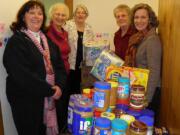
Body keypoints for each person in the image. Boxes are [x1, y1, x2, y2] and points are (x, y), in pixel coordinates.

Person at [3, 1, 67, 135]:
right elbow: (21, 74)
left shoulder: (47, 40)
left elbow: (60, 67)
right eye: (31, 12)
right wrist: (49, 90)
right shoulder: (17, 41)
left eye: (40, 13)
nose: (36, 16)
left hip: (49, 98)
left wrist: (59, 86)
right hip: (26, 102)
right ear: (22, 17)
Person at [125, 3, 162, 118]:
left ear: (150, 19)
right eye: (136, 17)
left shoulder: (152, 40)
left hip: (148, 94)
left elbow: (154, 71)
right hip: (139, 90)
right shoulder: (139, 37)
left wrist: (146, 99)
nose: (139, 21)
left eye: (143, 17)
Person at [46, 3, 70, 133]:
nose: (60, 17)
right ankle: (57, 130)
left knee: (64, 104)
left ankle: (62, 128)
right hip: (54, 75)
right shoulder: (47, 33)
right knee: (58, 106)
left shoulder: (64, 32)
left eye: (63, 14)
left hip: (65, 72)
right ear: (52, 15)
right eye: (57, 14)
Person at [64, 4, 94, 95]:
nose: (80, 15)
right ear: (74, 14)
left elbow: (91, 46)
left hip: (83, 65)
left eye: (83, 13)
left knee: (79, 87)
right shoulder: (68, 25)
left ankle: (76, 106)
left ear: (86, 15)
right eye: (78, 12)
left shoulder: (89, 28)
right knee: (68, 87)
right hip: (70, 62)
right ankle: (68, 107)